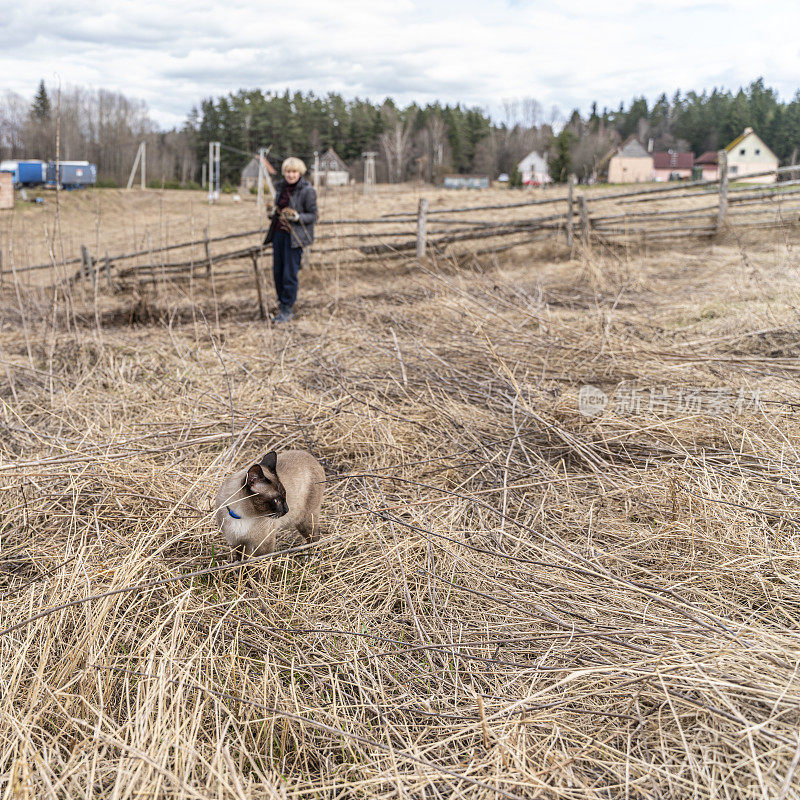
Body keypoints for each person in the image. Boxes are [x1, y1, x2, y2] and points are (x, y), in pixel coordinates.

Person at [264, 157, 317, 323]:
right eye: (288, 171)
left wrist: (297, 216)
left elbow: (314, 216)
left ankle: (287, 310)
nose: (291, 175)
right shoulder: (280, 189)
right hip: (279, 235)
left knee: (289, 274)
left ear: (300, 173)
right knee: (278, 272)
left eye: (294, 171)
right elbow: (279, 210)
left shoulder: (307, 191)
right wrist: (272, 213)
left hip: (295, 238)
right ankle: (281, 305)